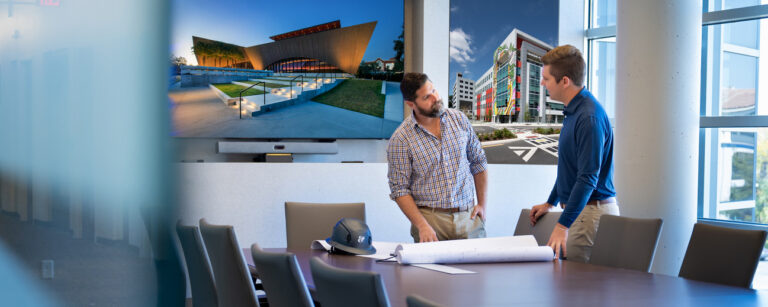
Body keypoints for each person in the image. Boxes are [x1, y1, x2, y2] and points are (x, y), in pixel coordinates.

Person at [529, 45, 618, 263]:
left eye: (546, 78)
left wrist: (562, 225)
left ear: (565, 81)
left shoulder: (588, 117)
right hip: (581, 212)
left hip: (590, 214)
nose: (542, 83)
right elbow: (570, 169)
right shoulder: (573, 113)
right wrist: (550, 202)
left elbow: (587, 178)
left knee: (575, 291)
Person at [387, 72, 488, 243]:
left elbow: (478, 162)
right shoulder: (401, 139)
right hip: (430, 222)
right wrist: (422, 225)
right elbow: (399, 189)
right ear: (411, 104)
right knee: (430, 271)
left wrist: (482, 205)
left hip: (468, 217)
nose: (435, 97)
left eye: (434, 90)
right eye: (427, 96)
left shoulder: (459, 119)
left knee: (479, 270)